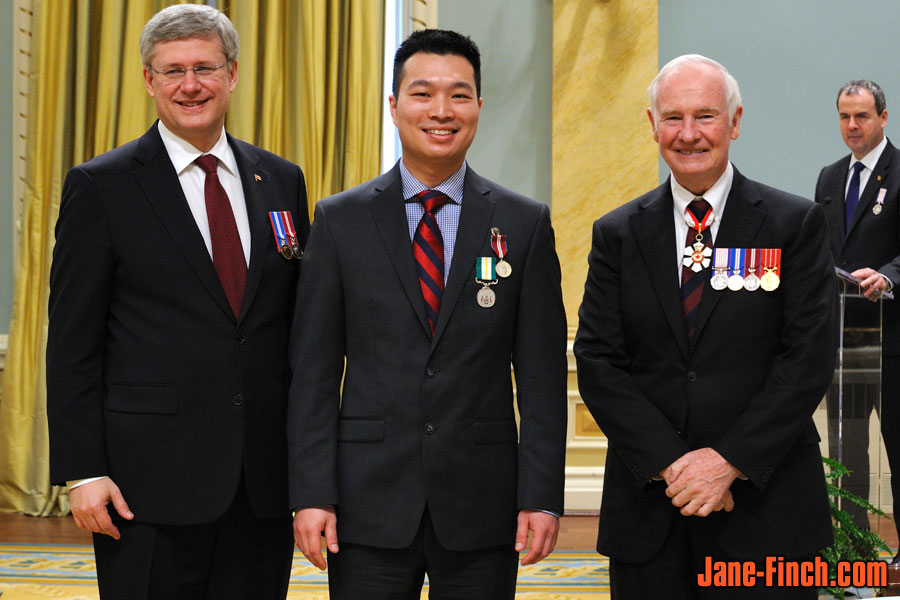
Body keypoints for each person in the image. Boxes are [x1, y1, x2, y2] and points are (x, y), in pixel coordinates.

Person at [287, 28, 567, 600]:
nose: (442, 111)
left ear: (480, 108)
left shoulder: (523, 224)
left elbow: (540, 379)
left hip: (482, 504)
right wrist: (312, 492)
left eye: (459, 95)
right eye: (422, 93)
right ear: (393, 106)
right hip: (366, 503)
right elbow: (312, 372)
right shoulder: (339, 222)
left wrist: (540, 495)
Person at [46, 4, 308, 598]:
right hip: (148, 488)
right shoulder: (102, 185)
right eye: (172, 71)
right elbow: (72, 343)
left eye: (205, 68)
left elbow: (291, 330)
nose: (191, 85)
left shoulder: (281, 180)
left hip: (262, 485)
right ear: (148, 80)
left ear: (233, 74)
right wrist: (84, 470)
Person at [574, 54, 837, 599]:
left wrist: (728, 461)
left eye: (706, 116)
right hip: (651, 512)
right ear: (652, 125)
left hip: (768, 514)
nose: (688, 134)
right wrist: (674, 466)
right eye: (673, 117)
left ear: (735, 122)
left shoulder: (793, 225)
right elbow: (599, 360)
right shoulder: (617, 235)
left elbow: (806, 358)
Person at [815, 79, 900, 557]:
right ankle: (854, 553)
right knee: (846, 455)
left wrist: (887, 277)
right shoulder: (829, 178)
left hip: (893, 336)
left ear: (883, 118)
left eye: (862, 116)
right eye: (845, 116)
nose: (852, 125)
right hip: (845, 336)